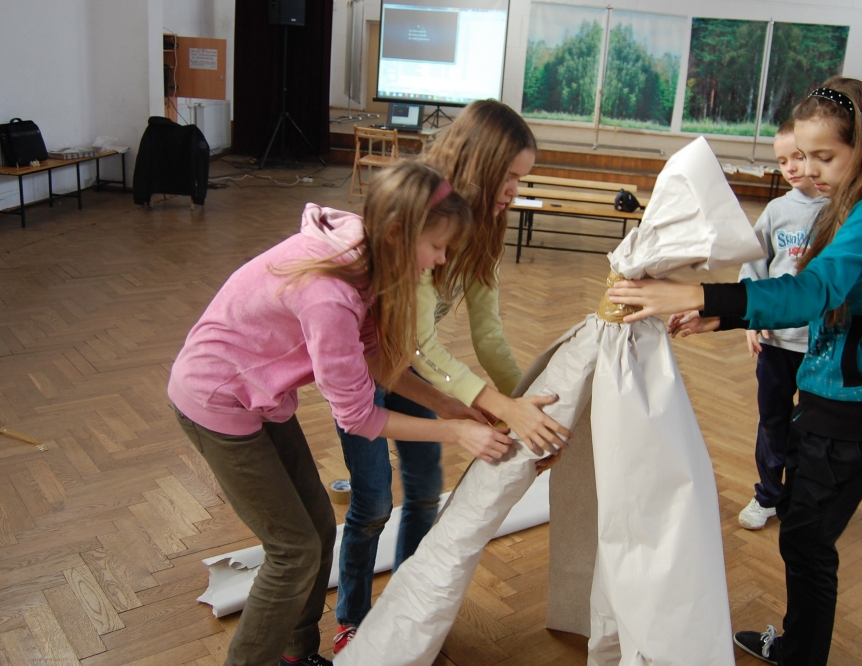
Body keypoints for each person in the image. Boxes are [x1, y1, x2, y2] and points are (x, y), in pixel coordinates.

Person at [608, 77, 862, 665]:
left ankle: (800, 654)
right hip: (831, 398)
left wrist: (698, 295)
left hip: (856, 411)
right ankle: (797, 646)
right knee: (804, 536)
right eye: (802, 156)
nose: (809, 171)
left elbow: (812, 291)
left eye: (824, 156)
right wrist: (726, 317)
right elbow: (812, 298)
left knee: (807, 543)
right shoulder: (854, 200)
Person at [168, 161, 513, 666]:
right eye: (437, 246)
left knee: (317, 530)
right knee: (294, 551)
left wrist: (446, 404)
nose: (441, 260)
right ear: (398, 233)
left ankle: (296, 655)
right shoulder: (329, 294)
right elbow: (358, 418)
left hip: (258, 395)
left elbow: (375, 357)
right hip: (215, 399)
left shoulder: (368, 253)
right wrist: (455, 432)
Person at [332, 99, 571, 654]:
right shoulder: (423, 210)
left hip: (414, 373)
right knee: (372, 505)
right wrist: (500, 406)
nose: (515, 190)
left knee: (423, 496)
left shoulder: (484, 227)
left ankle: (408, 610)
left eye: (522, 179)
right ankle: (352, 619)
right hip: (366, 372)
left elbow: (488, 335)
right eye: (510, 176)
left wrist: (522, 403)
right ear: (481, 163)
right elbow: (418, 342)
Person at [736, 120, 827, 530]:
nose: (790, 167)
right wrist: (751, 319)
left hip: (819, 344)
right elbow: (753, 267)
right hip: (775, 342)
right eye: (782, 160)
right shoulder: (777, 211)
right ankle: (768, 495)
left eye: (798, 157)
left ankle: (802, 498)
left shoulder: (839, 210)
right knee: (772, 421)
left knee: (811, 426)